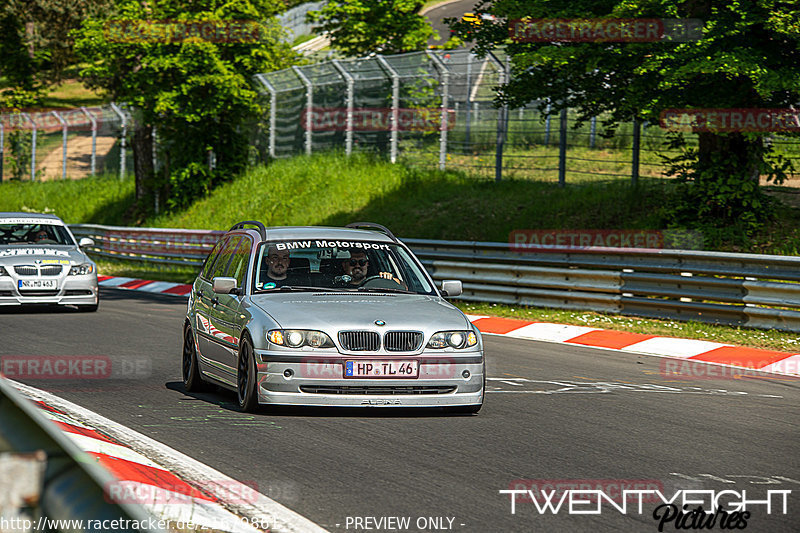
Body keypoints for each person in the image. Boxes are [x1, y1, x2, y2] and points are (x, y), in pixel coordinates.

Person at [337, 250, 404, 288]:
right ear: (344, 265)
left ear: (367, 264)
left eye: (362, 262)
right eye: (352, 262)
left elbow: (406, 289)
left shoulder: (380, 285)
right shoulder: (334, 286)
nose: (357, 265)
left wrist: (391, 281)